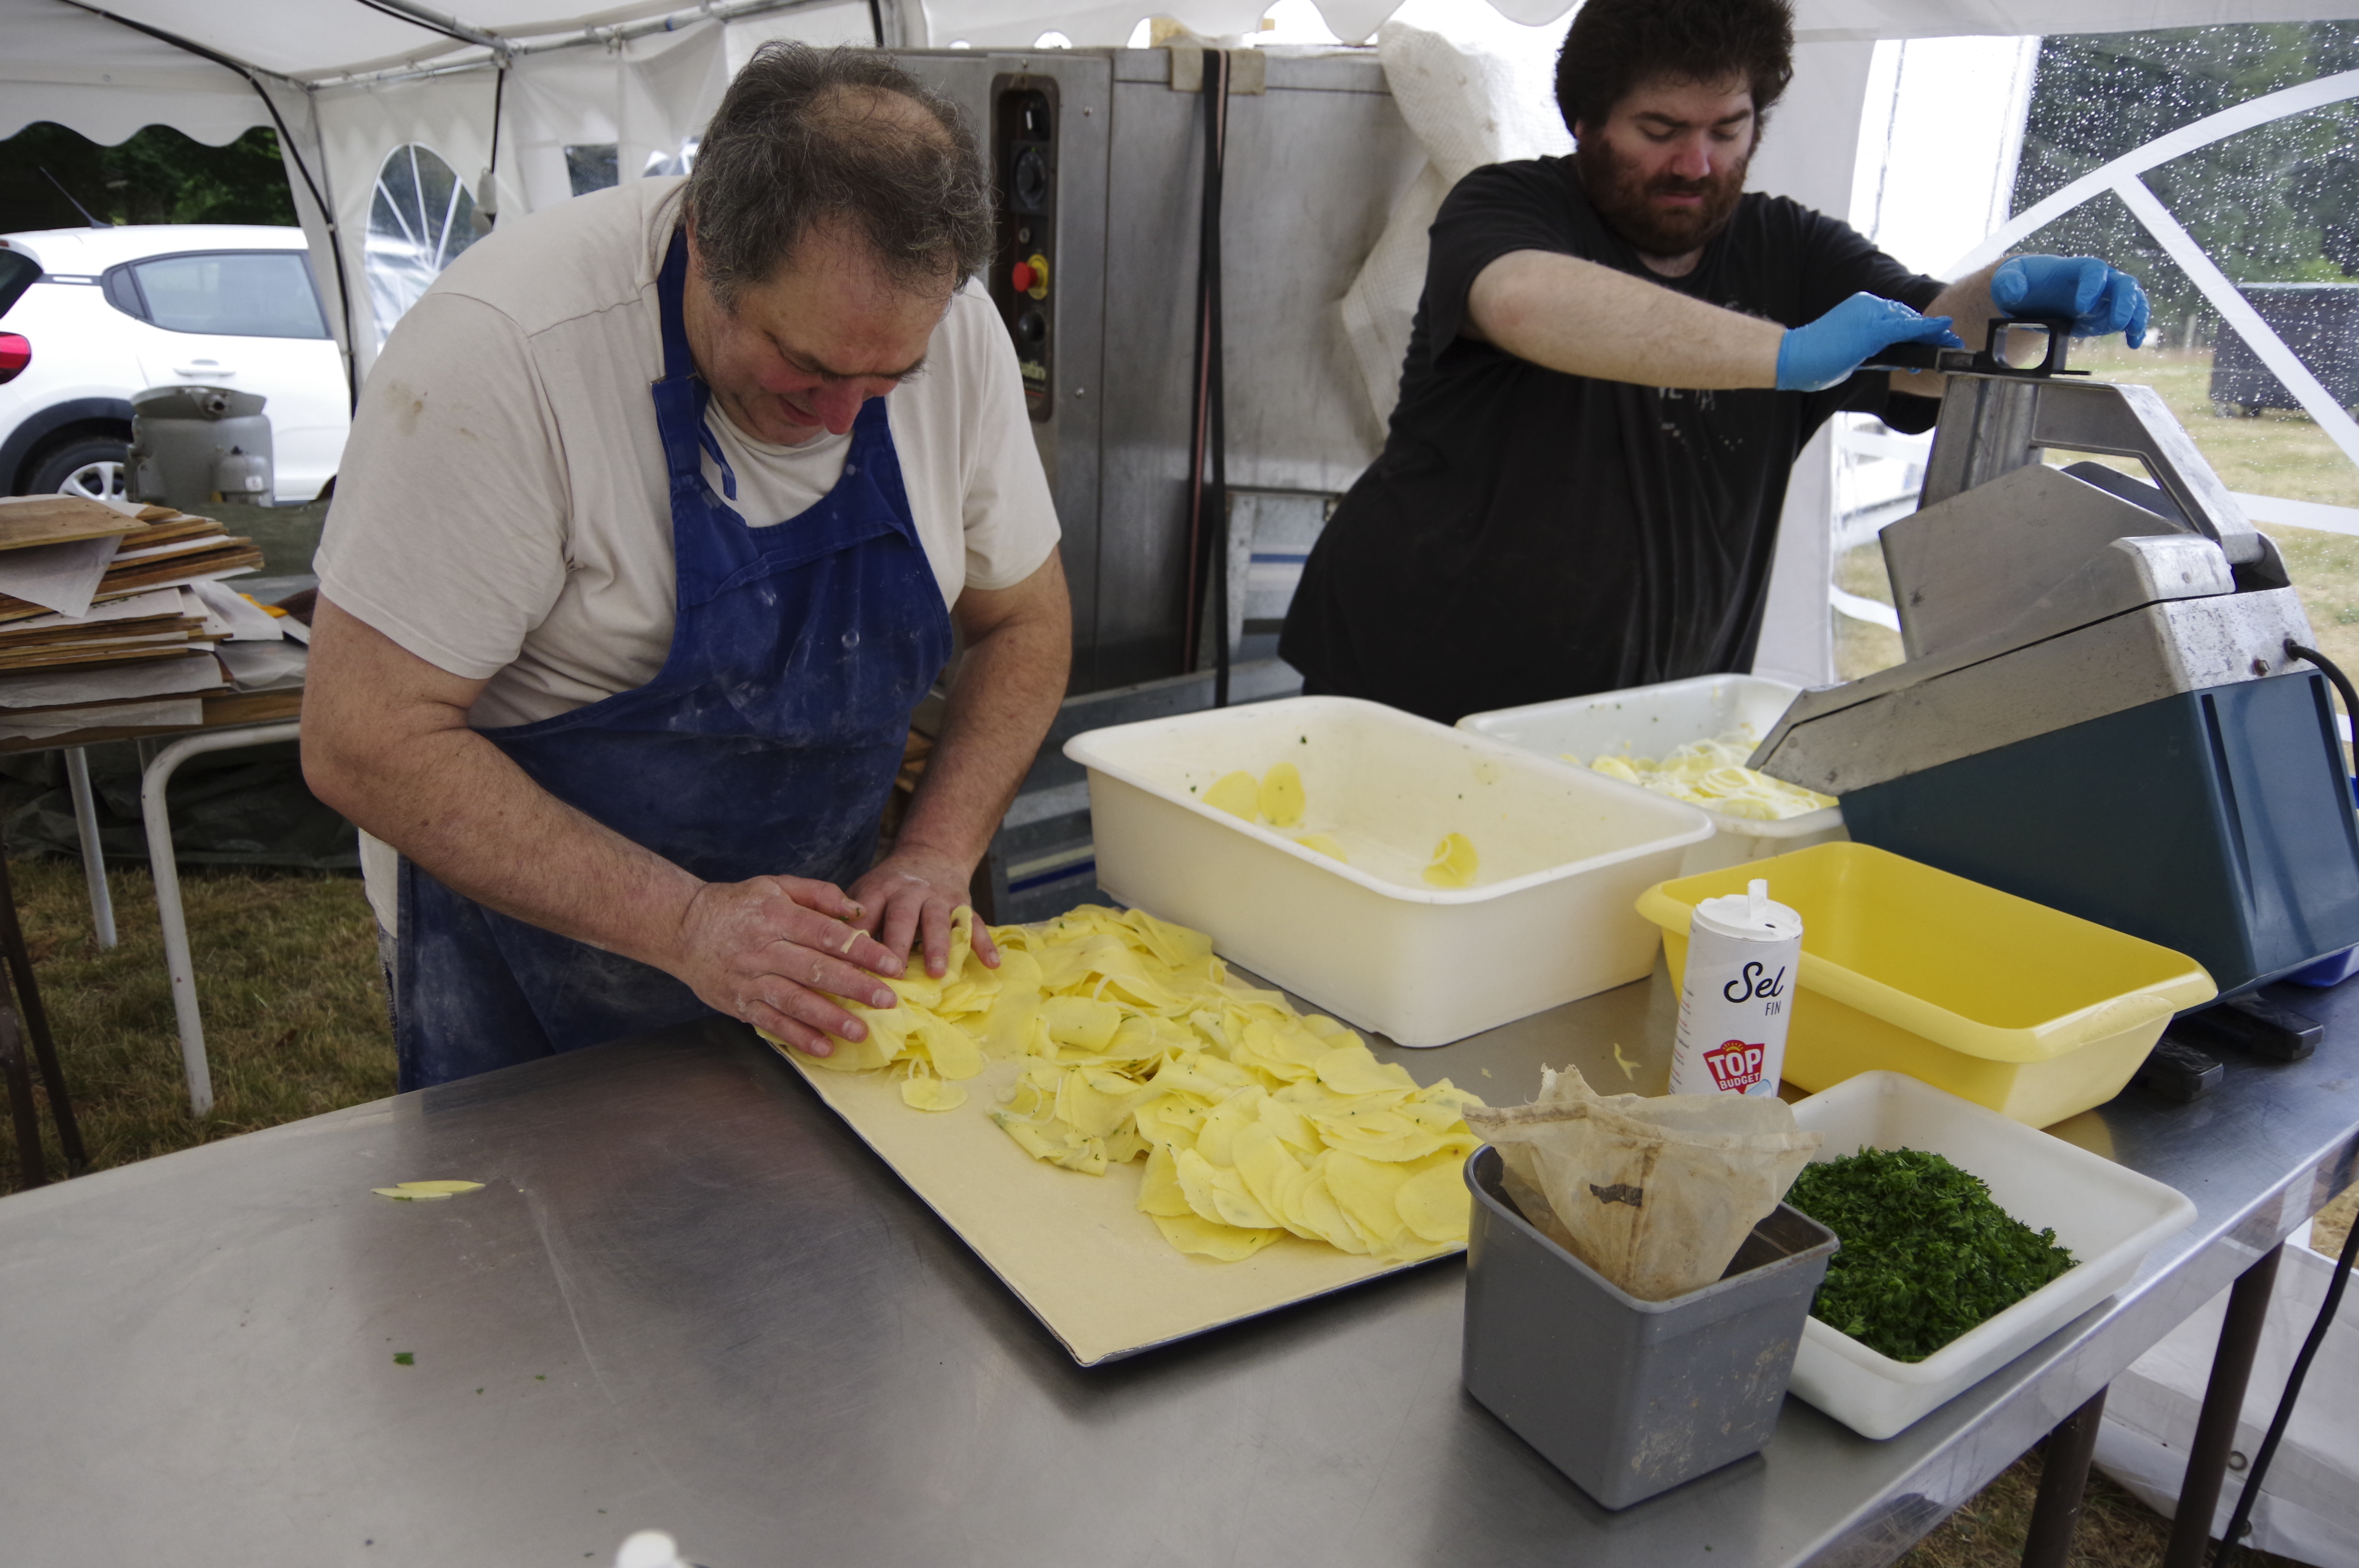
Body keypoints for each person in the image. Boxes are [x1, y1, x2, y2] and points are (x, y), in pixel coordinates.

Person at [302, 45, 1070, 1089]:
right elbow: (363, 738)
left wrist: (937, 850)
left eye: (892, 378)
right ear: (707, 242)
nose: (846, 417)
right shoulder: (507, 355)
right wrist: (690, 923)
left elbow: (1026, 623)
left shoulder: (946, 324)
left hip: (810, 957)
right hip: (532, 961)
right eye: (806, 369)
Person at [1279, 0, 2150, 724]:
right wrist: (1788, 354)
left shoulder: (1790, 250)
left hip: (1653, 713)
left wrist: (2014, 300)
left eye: (1726, 131)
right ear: (1583, 123)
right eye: (1659, 130)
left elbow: (1931, 345)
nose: (1694, 165)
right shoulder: (1508, 205)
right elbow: (1521, 300)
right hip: (1410, 685)